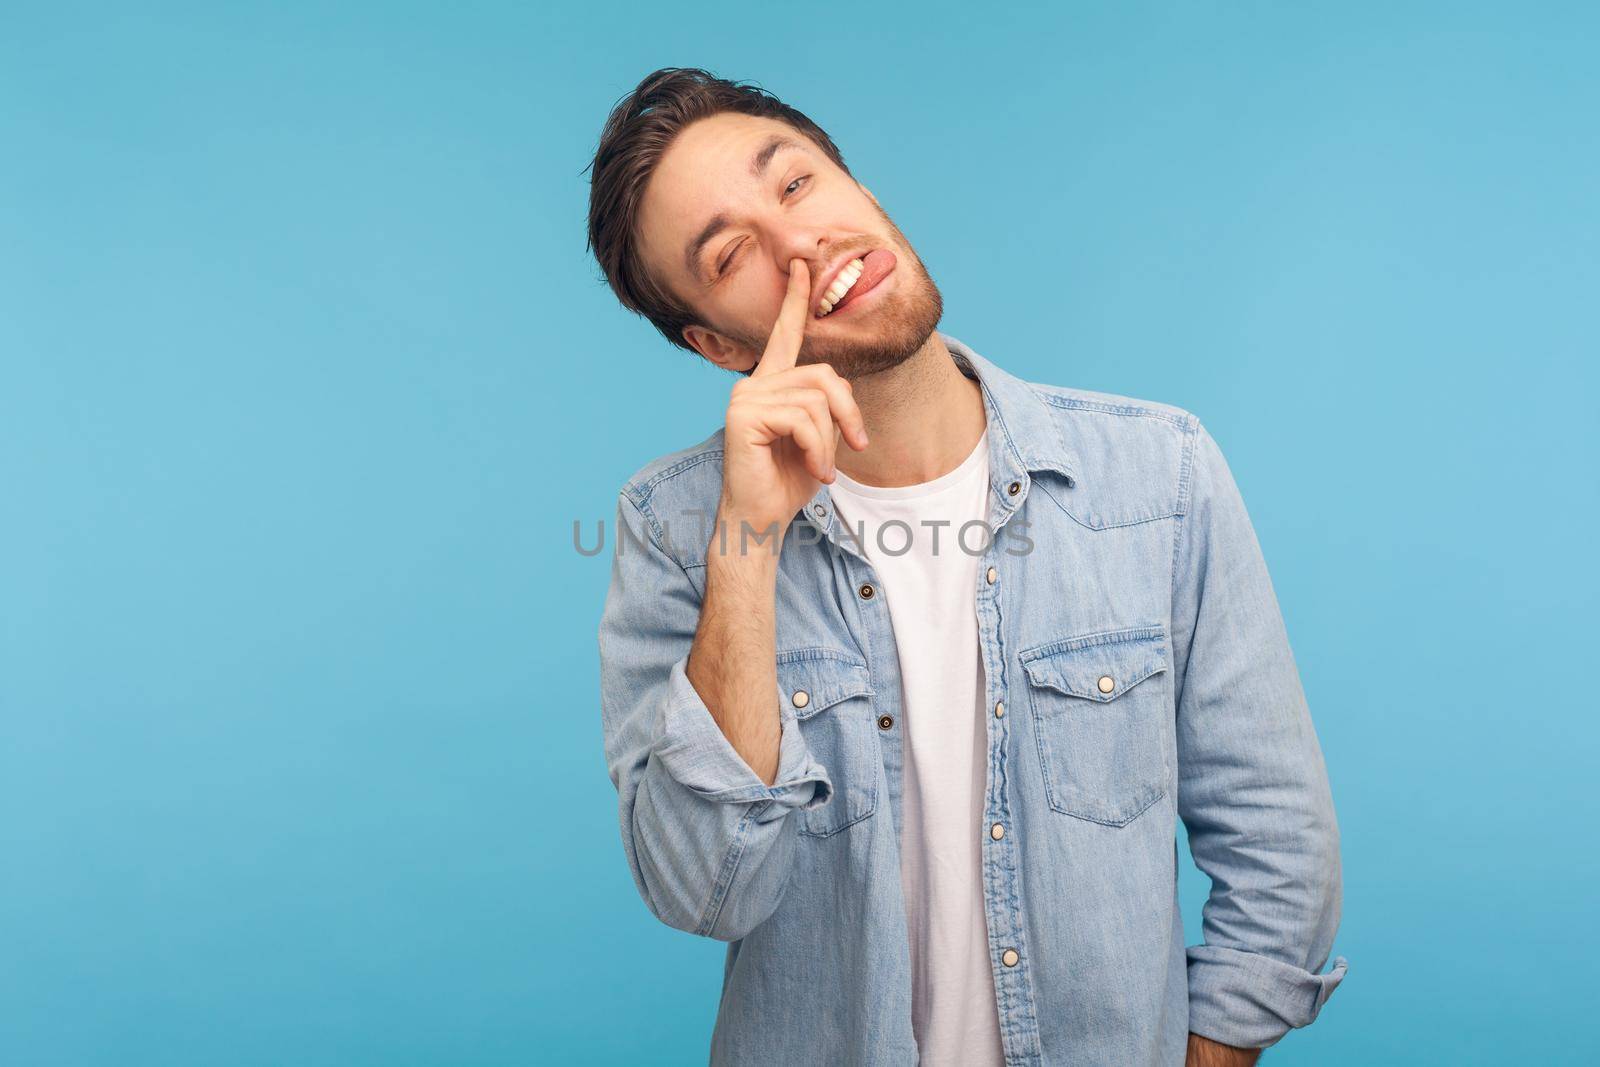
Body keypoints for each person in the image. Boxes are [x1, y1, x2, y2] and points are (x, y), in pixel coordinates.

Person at [589, 67, 1347, 1066]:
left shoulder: (1158, 474)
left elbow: (1279, 850)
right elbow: (705, 888)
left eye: (796, 184)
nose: (801, 244)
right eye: (733, 256)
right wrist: (746, 538)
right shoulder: (671, 526)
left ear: (855, 184)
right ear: (715, 344)